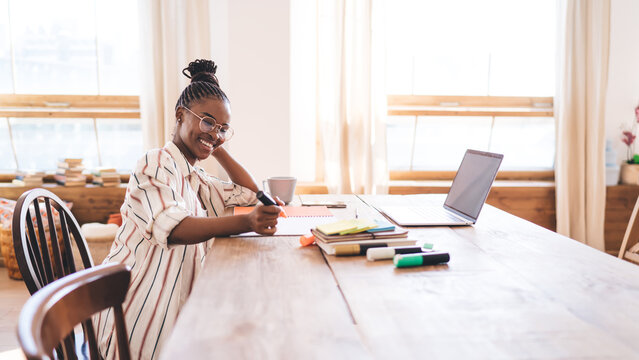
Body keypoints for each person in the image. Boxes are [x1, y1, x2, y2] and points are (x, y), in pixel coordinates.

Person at [95, 59, 282, 360]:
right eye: (207, 121)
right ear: (180, 115)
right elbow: (176, 228)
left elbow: (250, 194)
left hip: (175, 308)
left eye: (223, 128)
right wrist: (247, 222)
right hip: (136, 318)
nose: (215, 132)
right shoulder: (156, 163)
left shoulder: (196, 178)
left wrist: (213, 142)